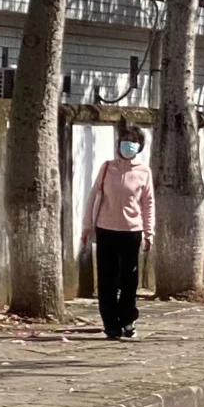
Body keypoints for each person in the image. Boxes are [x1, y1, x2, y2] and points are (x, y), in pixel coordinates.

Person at [81, 125, 154, 341]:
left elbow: (148, 203)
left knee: (129, 279)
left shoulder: (144, 172)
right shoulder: (107, 168)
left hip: (132, 231)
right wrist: (87, 226)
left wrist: (150, 232)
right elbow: (93, 196)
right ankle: (110, 324)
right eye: (124, 141)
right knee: (107, 279)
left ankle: (128, 319)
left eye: (132, 142)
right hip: (106, 230)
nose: (127, 145)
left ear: (139, 147)